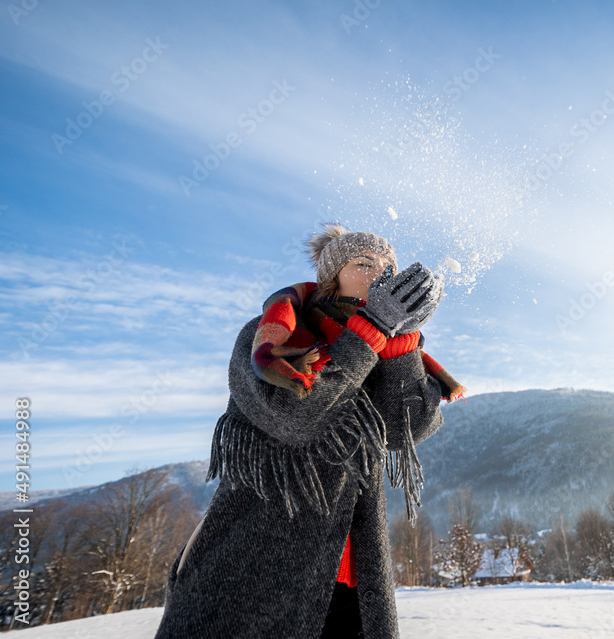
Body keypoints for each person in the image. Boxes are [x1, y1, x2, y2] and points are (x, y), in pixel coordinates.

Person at [154, 223, 466, 639]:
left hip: (352, 576)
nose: (381, 273)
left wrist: (402, 342)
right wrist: (372, 328)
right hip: (252, 568)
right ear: (332, 275)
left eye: (389, 265)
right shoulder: (270, 340)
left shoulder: (381, 347)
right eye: (364, 263)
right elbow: (296, 418)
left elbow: (404, 430)